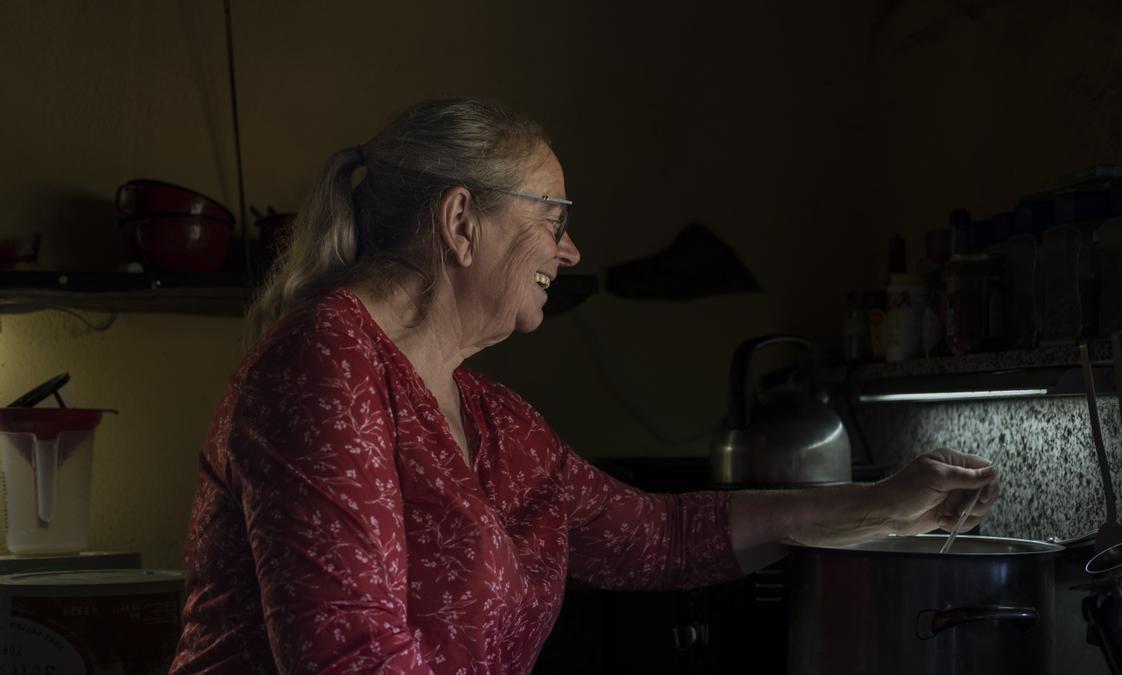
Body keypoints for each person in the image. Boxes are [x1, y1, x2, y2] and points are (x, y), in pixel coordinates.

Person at [169, 98, 998, 674]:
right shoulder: (326, 363)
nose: (568, 253)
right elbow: (347, 656)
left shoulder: (493, 418)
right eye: (554, 221)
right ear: (462, 223)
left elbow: (658, 536)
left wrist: (883, 504)